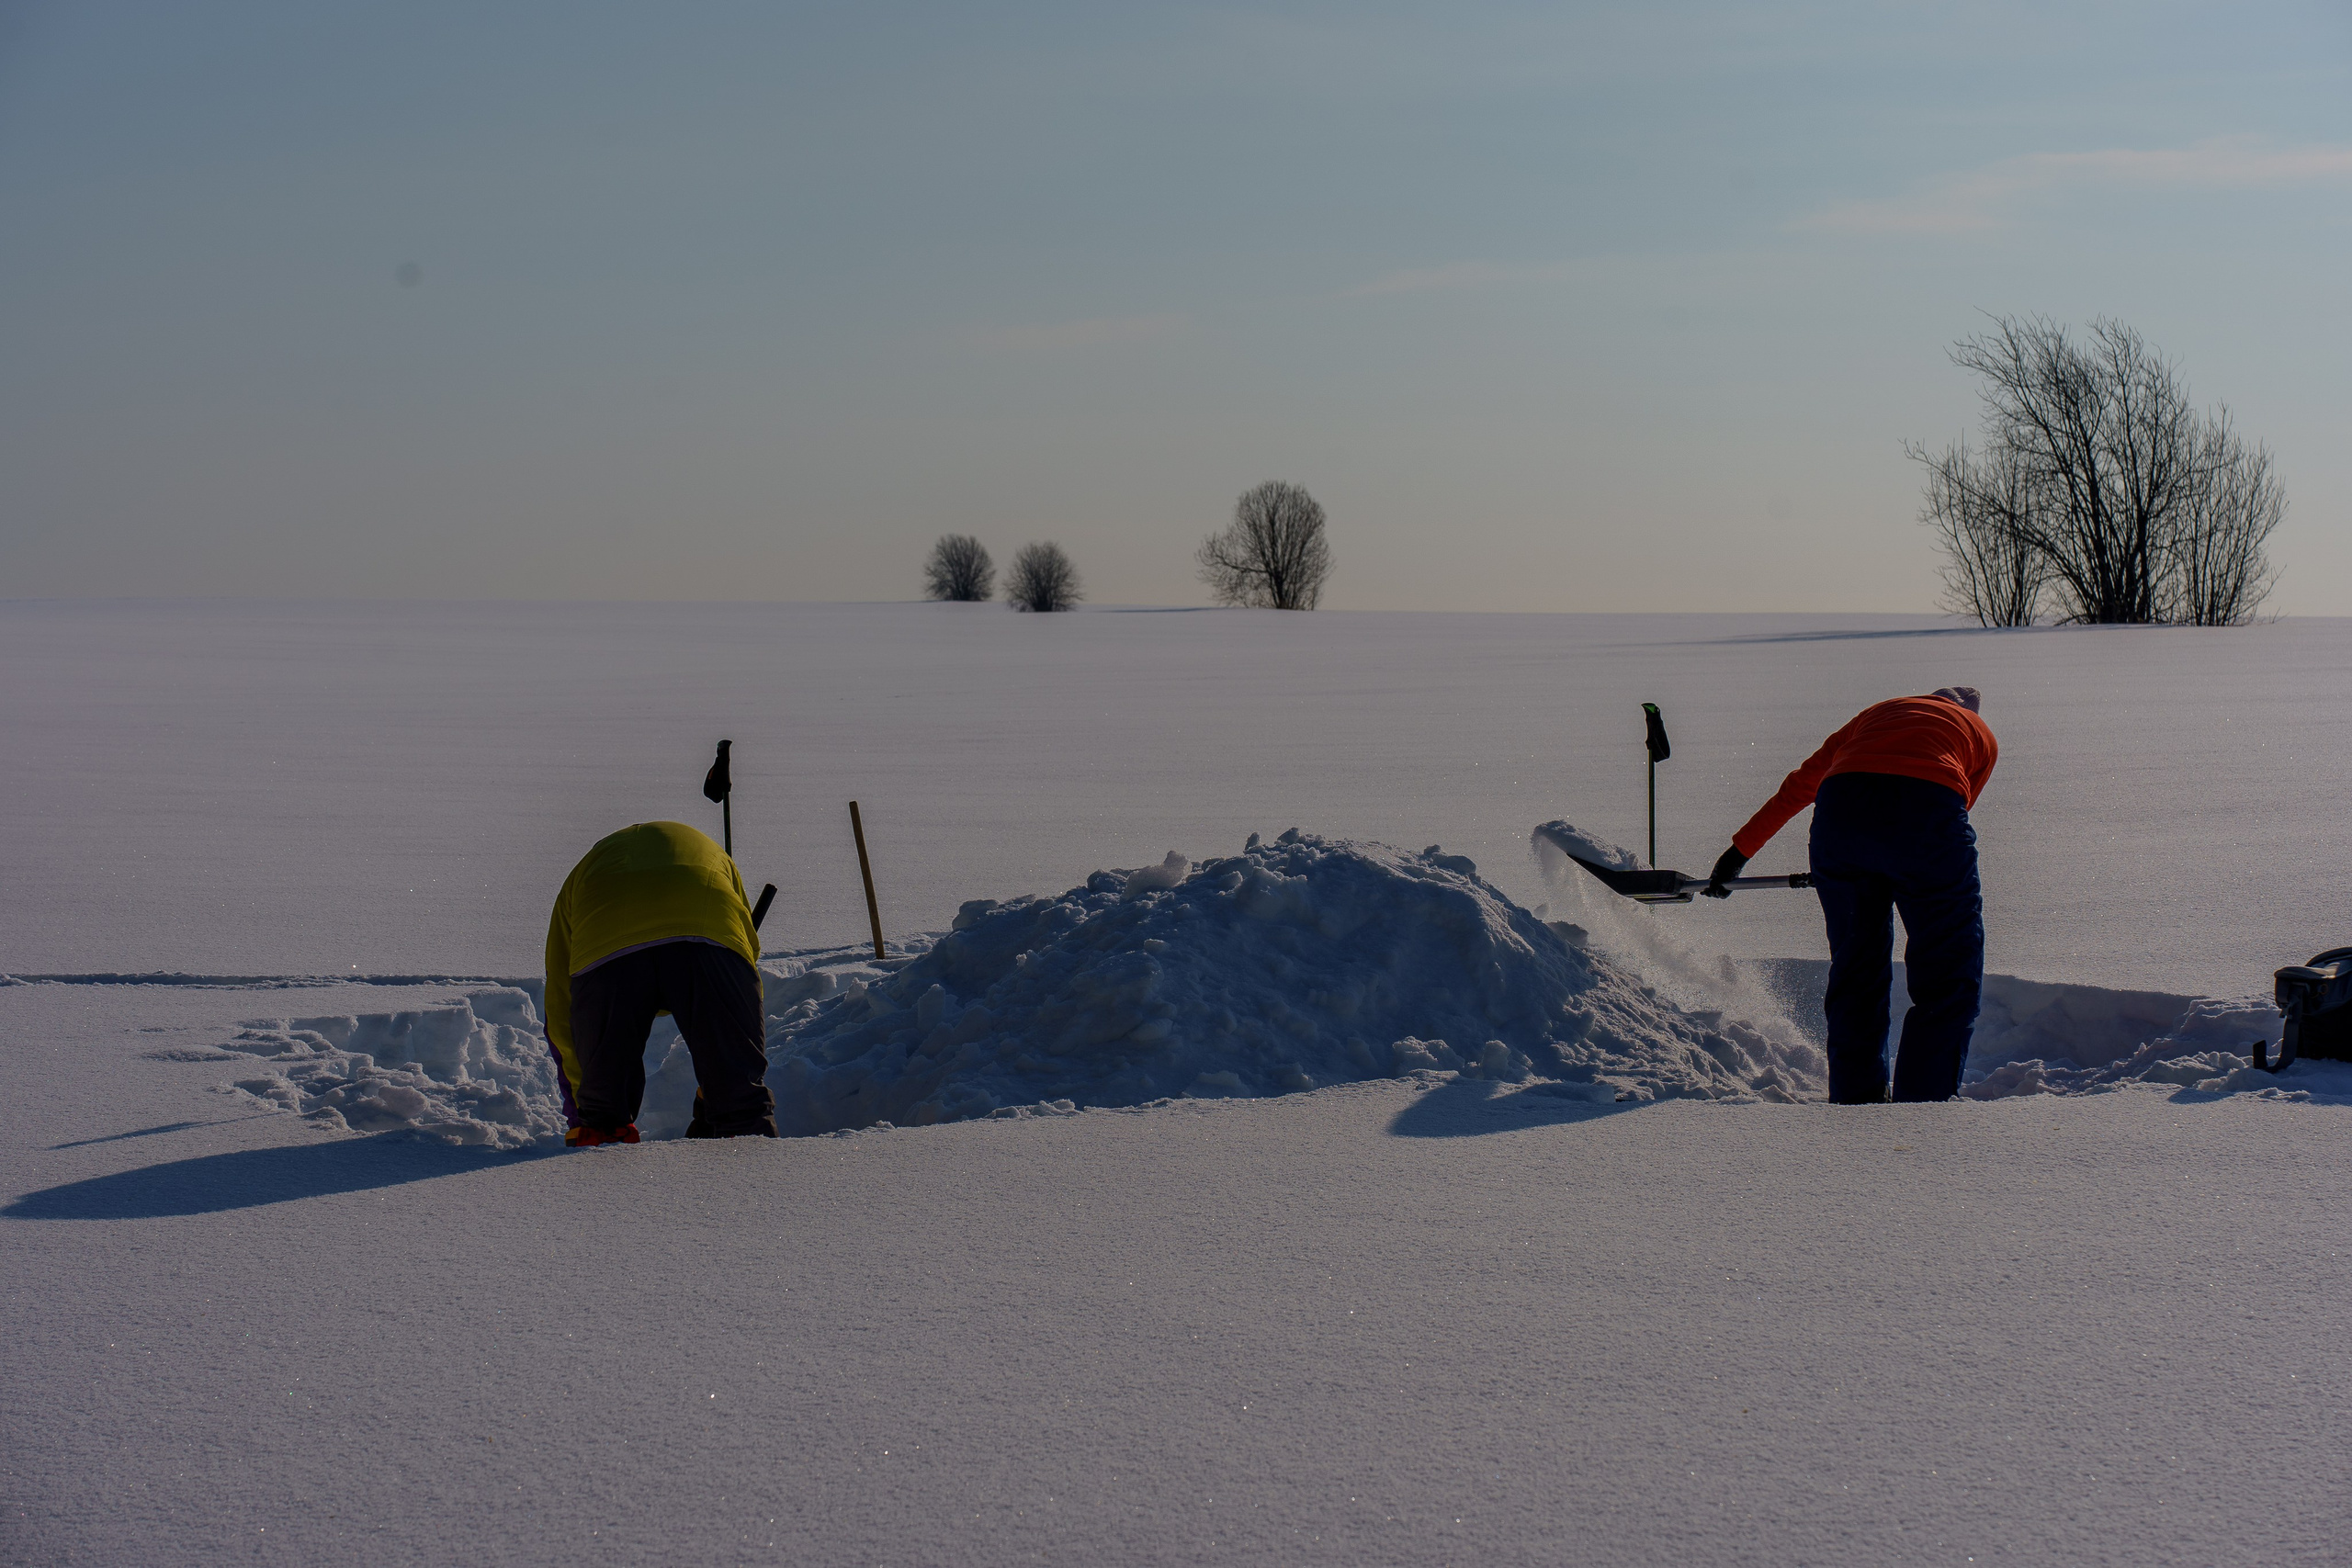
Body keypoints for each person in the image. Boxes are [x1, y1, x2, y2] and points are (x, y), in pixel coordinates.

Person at [1702, 688, 1997, 1104]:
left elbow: (1802, 783)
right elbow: (1958, 804)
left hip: (1840, 818)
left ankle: (1856, 1104)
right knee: (1948, 973)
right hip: (1928, 820)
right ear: (1965, 712)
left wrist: (1739, 853)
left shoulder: (1877, 714)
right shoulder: (1979, 732)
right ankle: (1924, 1110)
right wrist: (1902, 855)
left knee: (1857, 968)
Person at [544, 820, 778, 1145]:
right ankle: (751, 1163)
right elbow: (744, 965)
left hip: (607, 935)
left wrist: (587, 1111)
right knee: (740, 1101)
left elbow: (562, 1007)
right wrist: (726, 1078)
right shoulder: (715, 859)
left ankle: (601, 1153)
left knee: (604, 1113)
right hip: (708, 925)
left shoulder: (579, 880)